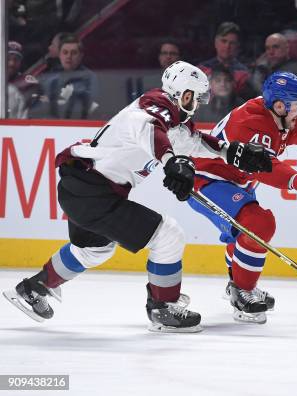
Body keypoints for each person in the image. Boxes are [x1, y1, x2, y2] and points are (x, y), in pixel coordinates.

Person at [2, 61, 272, 333]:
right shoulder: (153, 107)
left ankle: (32, 289)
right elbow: (150, 129)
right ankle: (163, 308)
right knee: (168, 234)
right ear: (184, 94)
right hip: (94, 190)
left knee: (94, 249)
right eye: (197, 97)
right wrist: (171, 161)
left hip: (81, 185)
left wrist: (234, 152)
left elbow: (195, 141)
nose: (199, 103)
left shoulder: (173, 121)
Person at [187, 72, 297, 324]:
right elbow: (263, 167)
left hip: (239, 181)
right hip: (207, 180)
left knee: (244, 233)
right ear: (279, 106)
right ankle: (242, 292)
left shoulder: (288, 114)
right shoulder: (247, 123)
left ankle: (239, 284)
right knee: (258, 224)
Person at [40, 34, 99, 119]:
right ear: (59, 55)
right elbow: (44, 105)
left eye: (74, 53)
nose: (69, 56)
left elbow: (93, 107)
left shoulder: (90, 78)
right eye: (65, 52)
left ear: (81, 56)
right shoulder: (51, 78)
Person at [198, 22, 250, 97]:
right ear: (216, 43)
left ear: (238, 46)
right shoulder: (201, 70)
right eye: (223, 41)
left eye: (232, 43)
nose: (227, 46)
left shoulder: (245, 75)